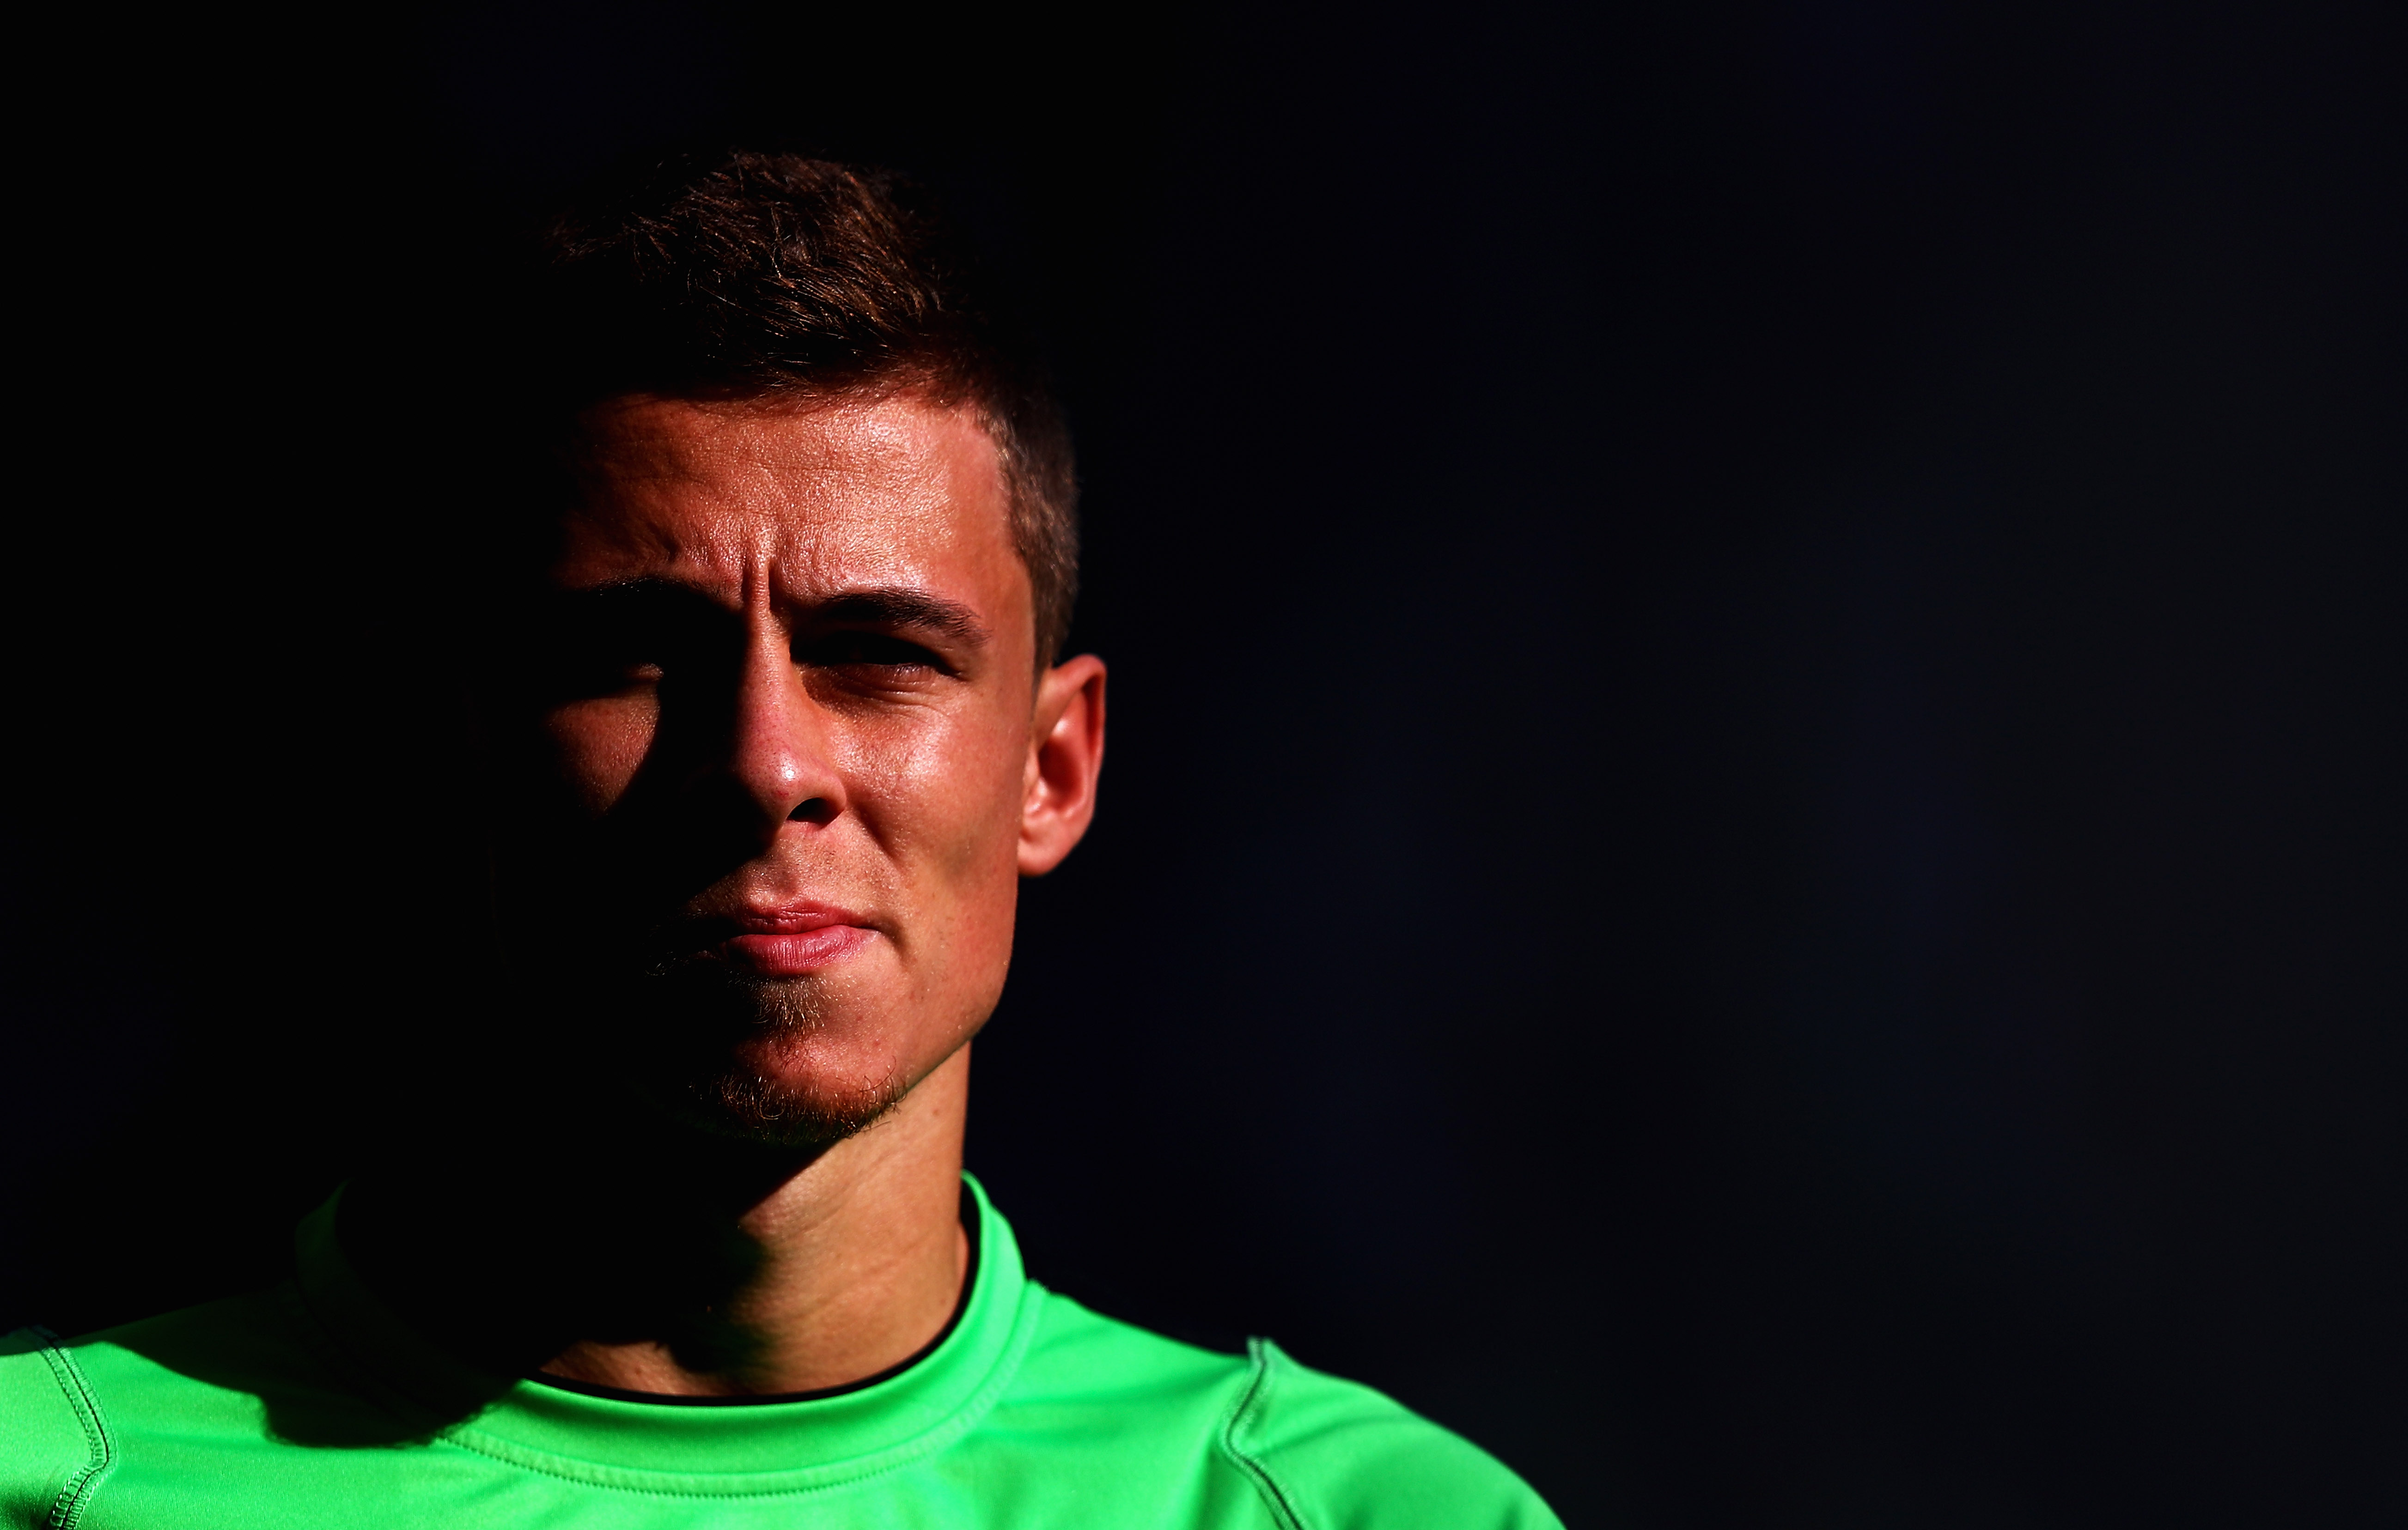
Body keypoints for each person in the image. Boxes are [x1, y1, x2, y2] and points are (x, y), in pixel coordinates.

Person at [1, 152, 1560, 1528]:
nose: (764, 765)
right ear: (450, 742)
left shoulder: (1358, 1515)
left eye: (880, 652)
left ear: (1055, 768)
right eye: (632, 656)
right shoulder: (55, 1487)